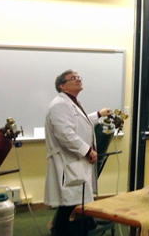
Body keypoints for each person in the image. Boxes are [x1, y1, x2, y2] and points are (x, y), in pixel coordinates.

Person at [44, 70, 112, 236]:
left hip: (75, 163)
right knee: (69, 204)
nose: (78, 80)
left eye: (79, 77)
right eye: (73, 78)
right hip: (68, 163)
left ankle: (70, 230)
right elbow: (65, 134)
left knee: (72, 204)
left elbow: (81, 121)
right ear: (62, 85)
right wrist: (88, 150)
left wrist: (98, 114)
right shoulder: (60, 104)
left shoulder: (70, 103)